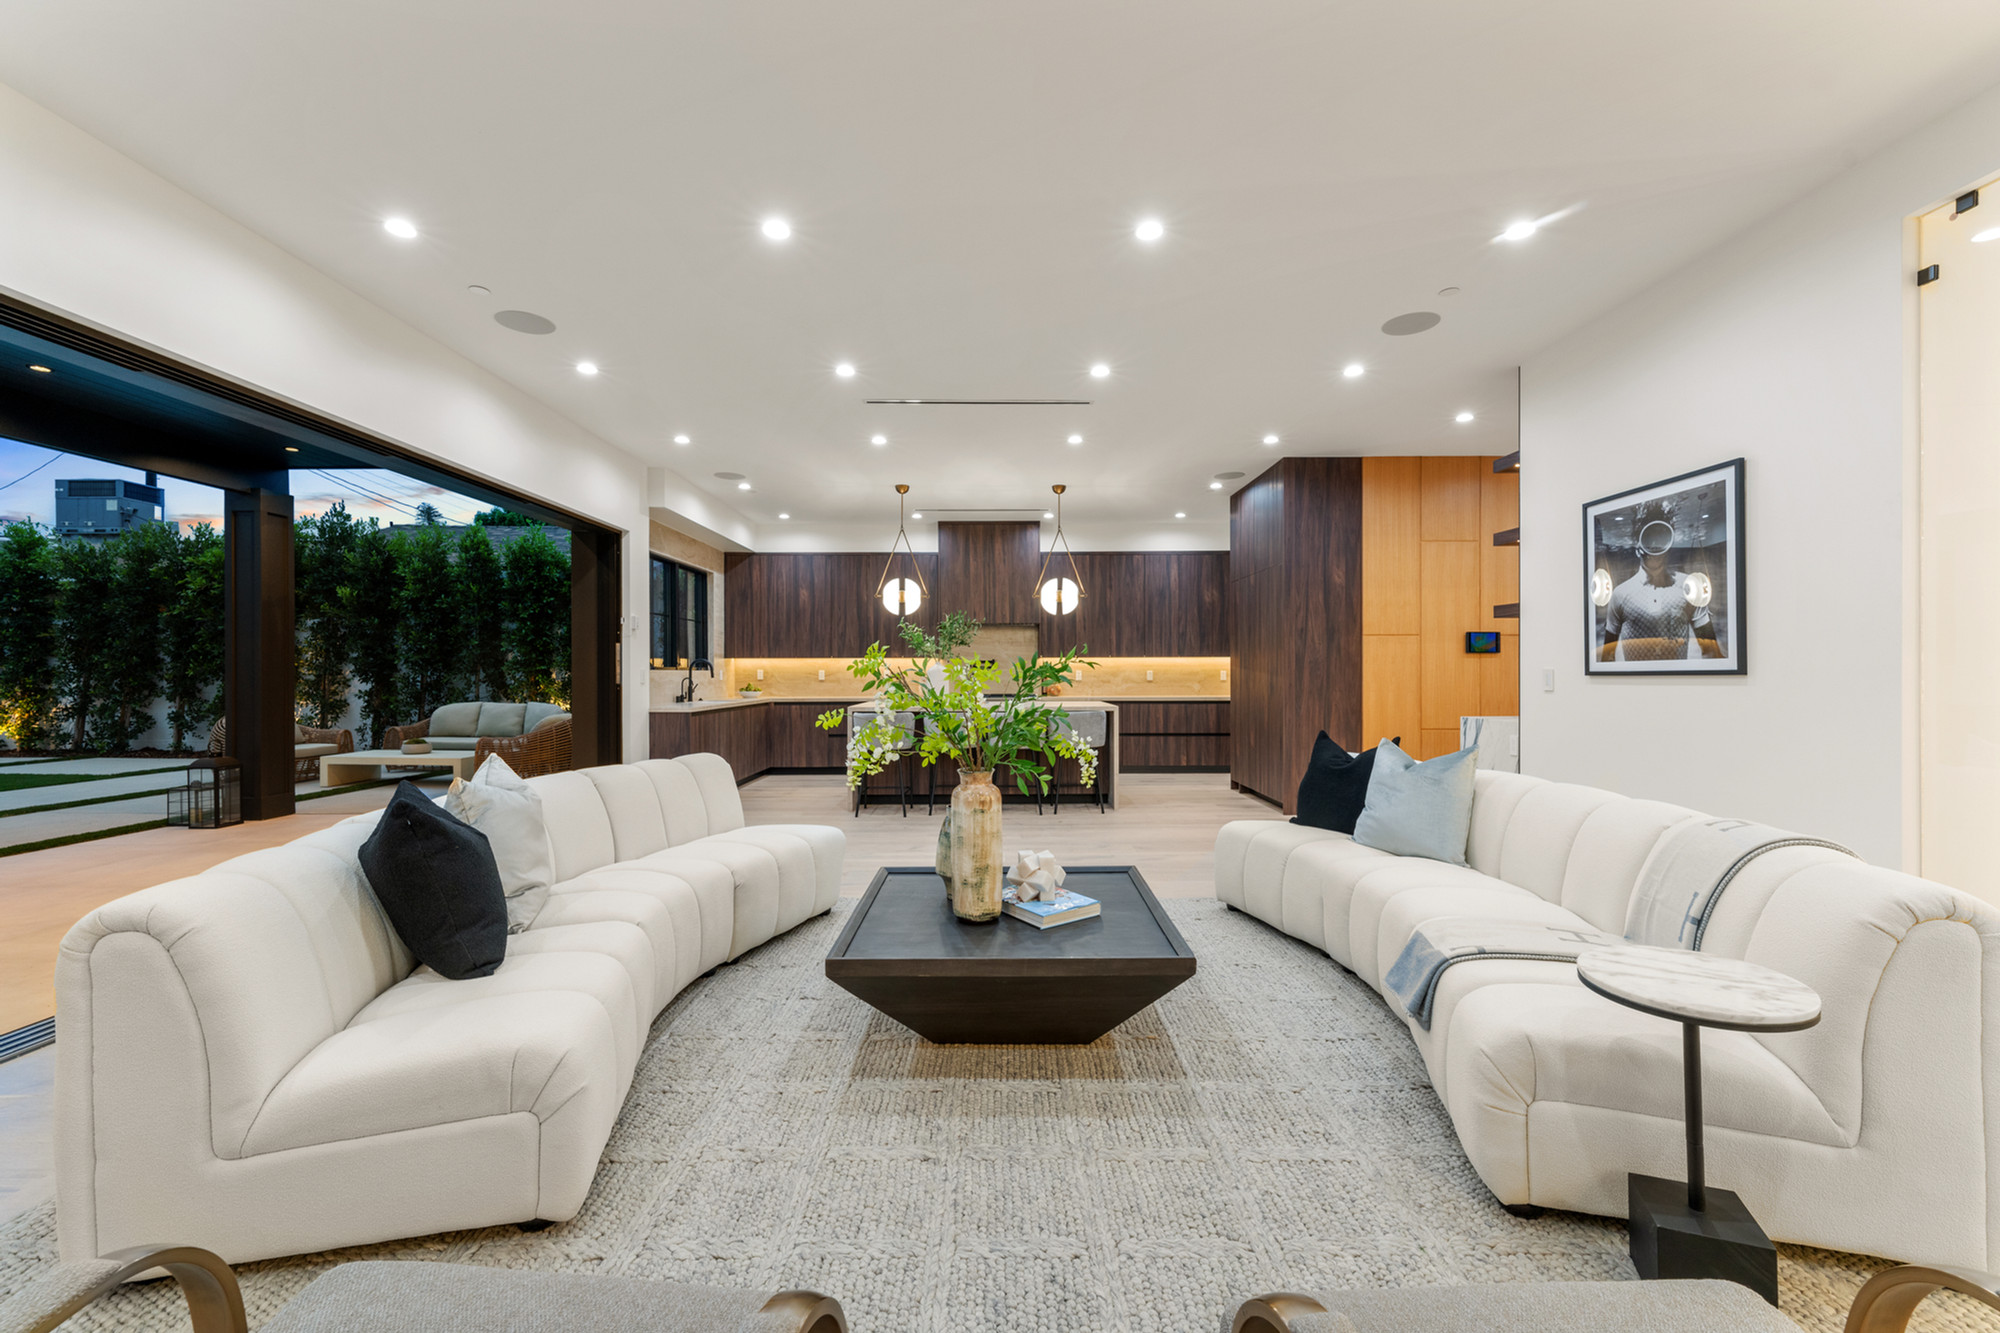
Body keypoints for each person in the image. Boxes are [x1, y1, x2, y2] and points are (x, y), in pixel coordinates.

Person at [1597, 500, 1723, 661]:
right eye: (1649, 537)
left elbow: (1712, 652)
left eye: (1660, 536)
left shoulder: (1690, 587)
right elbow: (1607, 657)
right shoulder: (1620, 594)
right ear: (1637, 545)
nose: (1655, 545)